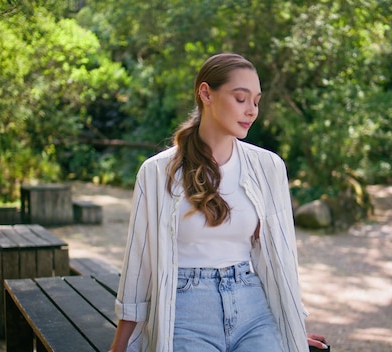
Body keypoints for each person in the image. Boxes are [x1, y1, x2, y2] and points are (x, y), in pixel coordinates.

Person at [109, 53, 328, 352]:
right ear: (205, 93)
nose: (251, 110)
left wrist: (290, 329)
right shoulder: (157, 172)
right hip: (184, 311)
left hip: (252, 307)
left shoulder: (268, 167)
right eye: (241, 98)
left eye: (256, 101)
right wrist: (119, 347)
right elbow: (139, 265)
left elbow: (281, 259)